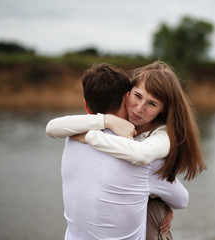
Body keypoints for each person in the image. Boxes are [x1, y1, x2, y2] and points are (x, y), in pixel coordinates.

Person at [46, 60, 206, 238]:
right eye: (137, 96)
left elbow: (142, 154)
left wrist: (90, 136)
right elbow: (52, 127)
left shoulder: (163, 135)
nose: (139, 108)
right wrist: (107, 120)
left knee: (154, 206)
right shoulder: (114, 124)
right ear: (127, 95)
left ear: (163, 110)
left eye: (152, 104)